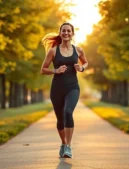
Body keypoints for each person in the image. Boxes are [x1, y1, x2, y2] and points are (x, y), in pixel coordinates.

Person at [40, 22, 88, 158]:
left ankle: (68, 147)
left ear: (72, 34)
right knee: (60, 119)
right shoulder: (53, 51)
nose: (66, 33)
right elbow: (43, 69)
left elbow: (85, 62)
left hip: (73, 87)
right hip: (57, 89)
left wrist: (82, 68)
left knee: (68, 112)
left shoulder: (78, 50)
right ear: (60, 33)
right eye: (64, 31)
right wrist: (55, 70)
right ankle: (63, 143)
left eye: (69, 31)